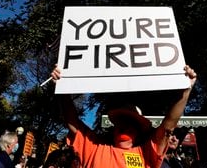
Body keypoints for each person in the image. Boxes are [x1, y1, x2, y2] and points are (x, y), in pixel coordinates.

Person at [50, 64, 197, 168]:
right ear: (114, 128)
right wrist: (62, 86)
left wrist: (186, 90)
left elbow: (168, 126)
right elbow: (72, 121)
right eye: (121, 122)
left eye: (131, 124)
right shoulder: (94, 148)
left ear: (139, 132)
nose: (125, 127)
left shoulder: (146, 154)